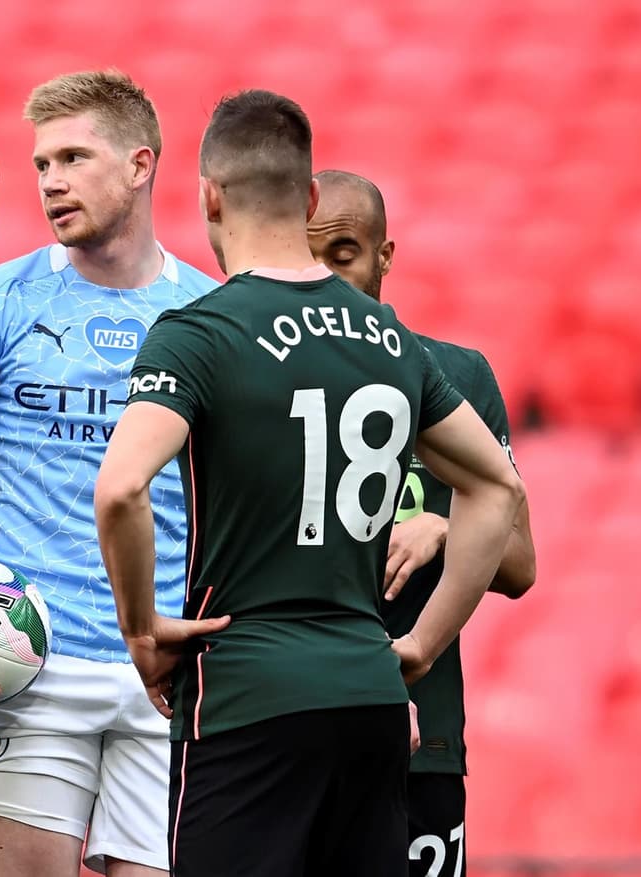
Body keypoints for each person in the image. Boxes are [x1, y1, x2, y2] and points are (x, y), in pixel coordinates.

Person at [93, 89, 525, 877]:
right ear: (312, 197)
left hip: (246, 694)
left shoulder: (199, 332)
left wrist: (141, 629)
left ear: (210, 196)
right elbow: (499, 487)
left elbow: (120, 489)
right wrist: (420, 645)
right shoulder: (390, 338)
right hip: (372, 699)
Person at [0, 72, 218, 877]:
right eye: (41, 164)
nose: (51, 181)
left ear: (139, 164)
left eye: (73, 158)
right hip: (26, 660)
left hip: (167, 669)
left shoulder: (208, 315)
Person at [308, 169, 537, 877]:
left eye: (344, 254)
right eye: (309, 257)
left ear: (385, 255)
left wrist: (443, 524)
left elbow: (520, 564)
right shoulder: (261, 378)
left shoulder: (457, 376)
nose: (326, 276)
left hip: (422, 731)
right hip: (291, 724)